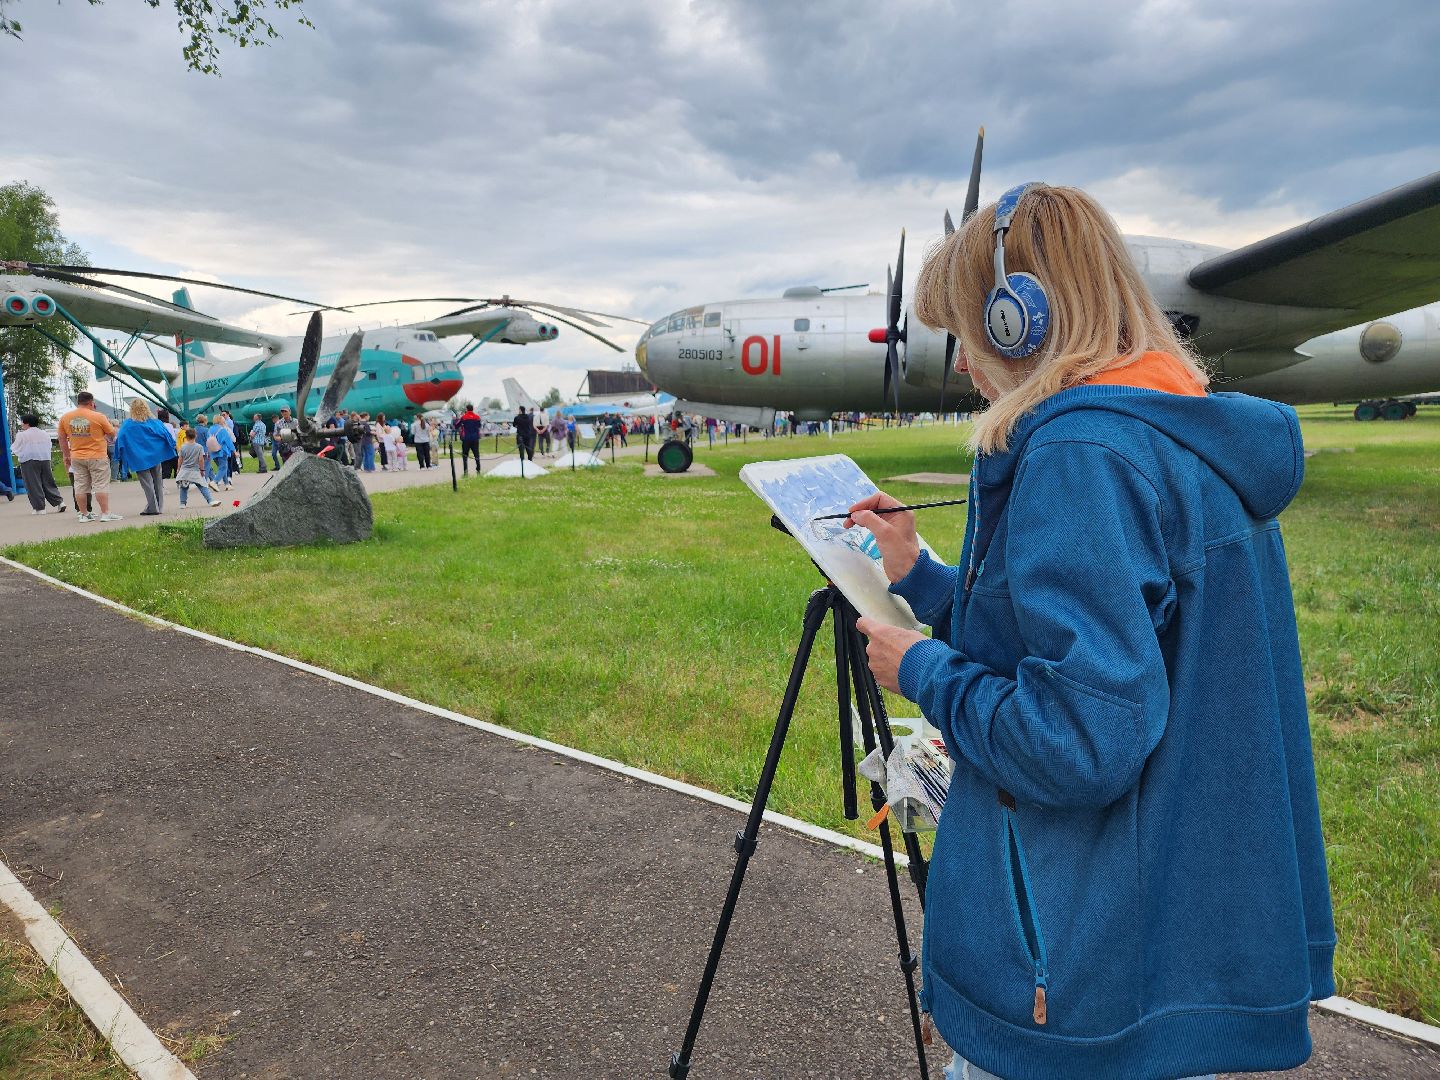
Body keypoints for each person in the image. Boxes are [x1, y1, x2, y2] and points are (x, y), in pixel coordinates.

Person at [847, 184, 1333, 1080]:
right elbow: (1095, 646)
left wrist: (924, 671)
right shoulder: (1166, 427)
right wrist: (925, 580)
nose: (959, 364)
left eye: (964, 331)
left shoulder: (1085, 455)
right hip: (1151, 944)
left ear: (1019, 319)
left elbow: (1078, 740)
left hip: (1080, 971)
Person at [58, 391, 120, 522]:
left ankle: (84, 514)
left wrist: (66, 455)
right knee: (100, 485)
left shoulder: (65, 418)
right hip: (97, 455)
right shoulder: (98, 416)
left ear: (78, 402)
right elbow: (112, 433)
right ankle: (105, 513)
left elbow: (62, 439)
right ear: (92, 403)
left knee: (80, 486)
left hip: (76, 456)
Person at [114, 398, 178, 516]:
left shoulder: (128, 424)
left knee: (147, 483)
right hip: (155, 454)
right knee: (158, 482)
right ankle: (159, 506)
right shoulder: (154, 421)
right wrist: (170, 446)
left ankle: (152, 507)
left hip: (139, 457)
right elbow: (166, 435)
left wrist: (119, 454)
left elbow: (120, 439)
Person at [12, 413, 65, 514]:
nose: (21, 424)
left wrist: (21, 455)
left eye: (22, 422)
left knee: (33, 484)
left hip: (29, 461)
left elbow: (15, 448)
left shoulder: (22, 435)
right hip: (45, 459)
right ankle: (60, 502)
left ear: (26, 423)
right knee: (48, 482)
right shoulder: (44, 433)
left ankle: (40, 508)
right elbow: (49, 445)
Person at [174, 427, 218, 508]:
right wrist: (202, 469)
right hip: (196, 470)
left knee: (184, 487)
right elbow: (201, 460)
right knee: (203, 486)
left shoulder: (183, 447)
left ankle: (182, 503)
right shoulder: (199, 447)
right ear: (196, 436)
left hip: (185, 470)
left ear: (186, 437)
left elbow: (180, 459)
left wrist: (178, 469)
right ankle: (210, 500)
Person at [207, 414, 237, 489]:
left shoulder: (210, 429)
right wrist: (234, 450)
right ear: (220, 421)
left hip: (213, 452)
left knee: (222, 468)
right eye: (223, 421)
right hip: (222, 451)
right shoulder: (222, 430)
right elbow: (228, 441)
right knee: (223, 468)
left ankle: (227, 484)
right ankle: (214, 482)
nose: (224, 422)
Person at [456, 405, 484, 473]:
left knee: (465, 455)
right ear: (473, 409)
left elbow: (456, 425)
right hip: (475, 438)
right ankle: (478, 469)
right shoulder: (477, 417)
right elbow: (479, 425)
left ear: (467, 409)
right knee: (476, 454)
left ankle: (465, 470)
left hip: (466, 439)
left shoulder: (464, 417)